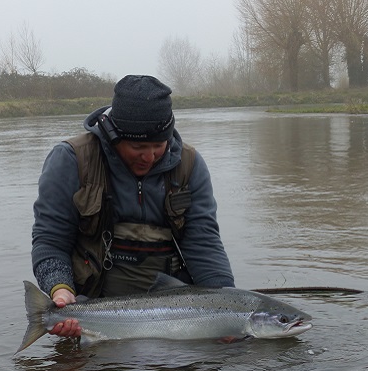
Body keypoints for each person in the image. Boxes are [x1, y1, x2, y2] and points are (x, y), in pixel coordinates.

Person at [31, 75, 234, 337]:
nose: (149, 157)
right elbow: (51, 240)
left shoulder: (189, 165)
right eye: (138, 147)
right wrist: (60, 290)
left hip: (175, 313)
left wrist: (226, 313)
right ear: (113, 135)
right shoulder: (71, 160)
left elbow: (203, 244)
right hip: (92, 307)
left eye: (158, 145)